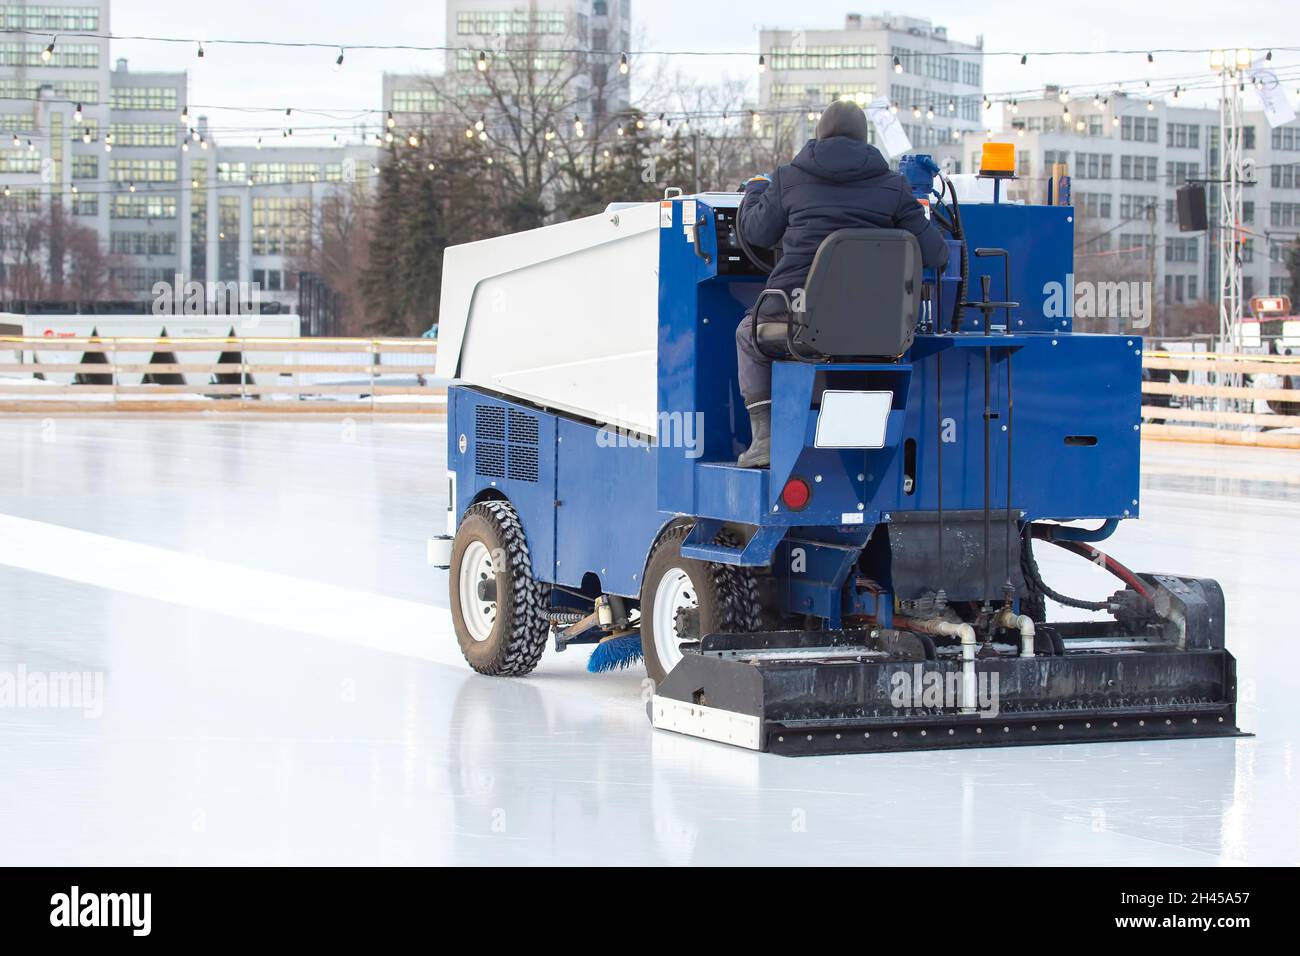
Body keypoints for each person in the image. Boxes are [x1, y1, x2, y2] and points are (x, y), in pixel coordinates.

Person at [733, 100, 950, 468]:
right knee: (839, 344)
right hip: (876, 329)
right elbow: (936, 254)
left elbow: (755, 231)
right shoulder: (893, 187)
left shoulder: (789, 178)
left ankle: (766, 440)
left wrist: (756, 191)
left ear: (820, 135)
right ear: (865, 140)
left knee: (746, 333)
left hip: (797, 318)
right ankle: (856, 446)